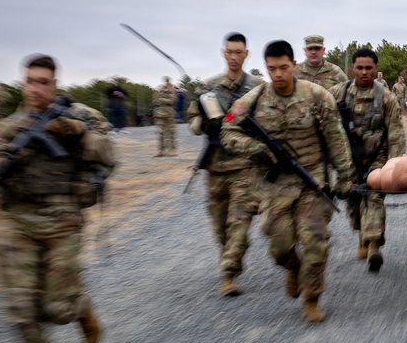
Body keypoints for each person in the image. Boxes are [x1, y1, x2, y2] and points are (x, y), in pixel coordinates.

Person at [0, 54, 115, 343]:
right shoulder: (8, 128)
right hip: (20, 224)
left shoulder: (79, 116)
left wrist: (80, 135)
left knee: (58, 309)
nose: (35, 88)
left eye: (42, 82)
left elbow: (108, 153)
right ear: (22, 83)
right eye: (29, 81)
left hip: (63, 221)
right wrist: (6, 160)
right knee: (20, 306)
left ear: (55, 84)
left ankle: (80, 308)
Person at [221, 40, 354, 323]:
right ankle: (293, 268)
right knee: (279, 246)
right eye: (272, 69)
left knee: (315, 240)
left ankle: (312, 299)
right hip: (274, 183)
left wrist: (345, 176)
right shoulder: (252, 101)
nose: (278, 75)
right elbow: (227, 131)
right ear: (265, 68)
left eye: (283, 68)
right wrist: (255, 148)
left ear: (294, 65)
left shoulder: (318, 96)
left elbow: (336, 138)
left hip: (312, 179)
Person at [186, 32, 264, 296]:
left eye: (238, 52)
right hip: (215, 166)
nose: (233, 57)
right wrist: (204, 121)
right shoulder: (208, 86)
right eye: (229, 52)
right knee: (220, 226)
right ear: (223, 53)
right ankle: (231, 256)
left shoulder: (257, 87)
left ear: (246, 54)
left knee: (239, 222)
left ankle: (228, 275)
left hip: (245, 166)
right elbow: (193, 125)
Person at [329, 48, 406, 272]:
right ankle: (363, 234)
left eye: (368, 68)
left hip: (377, 159)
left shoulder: (387, 98)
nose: (364, 72)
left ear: (376, 69)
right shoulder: (336, 94)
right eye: (360, 68)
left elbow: (396, 133)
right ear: (353, 68)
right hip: (347, 160)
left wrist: (395, 166)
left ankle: (374, 245)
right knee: (353, 203)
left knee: (374, 197)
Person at [152, 76, 177, 157]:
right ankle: (161, 151)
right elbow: (155, 100)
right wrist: (162, 100)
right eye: (166, 81)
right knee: (160, 132)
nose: (167, 82)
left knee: (171, 132)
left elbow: (172, 100)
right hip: (160, 113)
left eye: (168, 81)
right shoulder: (160, 89)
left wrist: (161, 99)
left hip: (169, 113)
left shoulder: (172, 90)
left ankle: (172, 150)